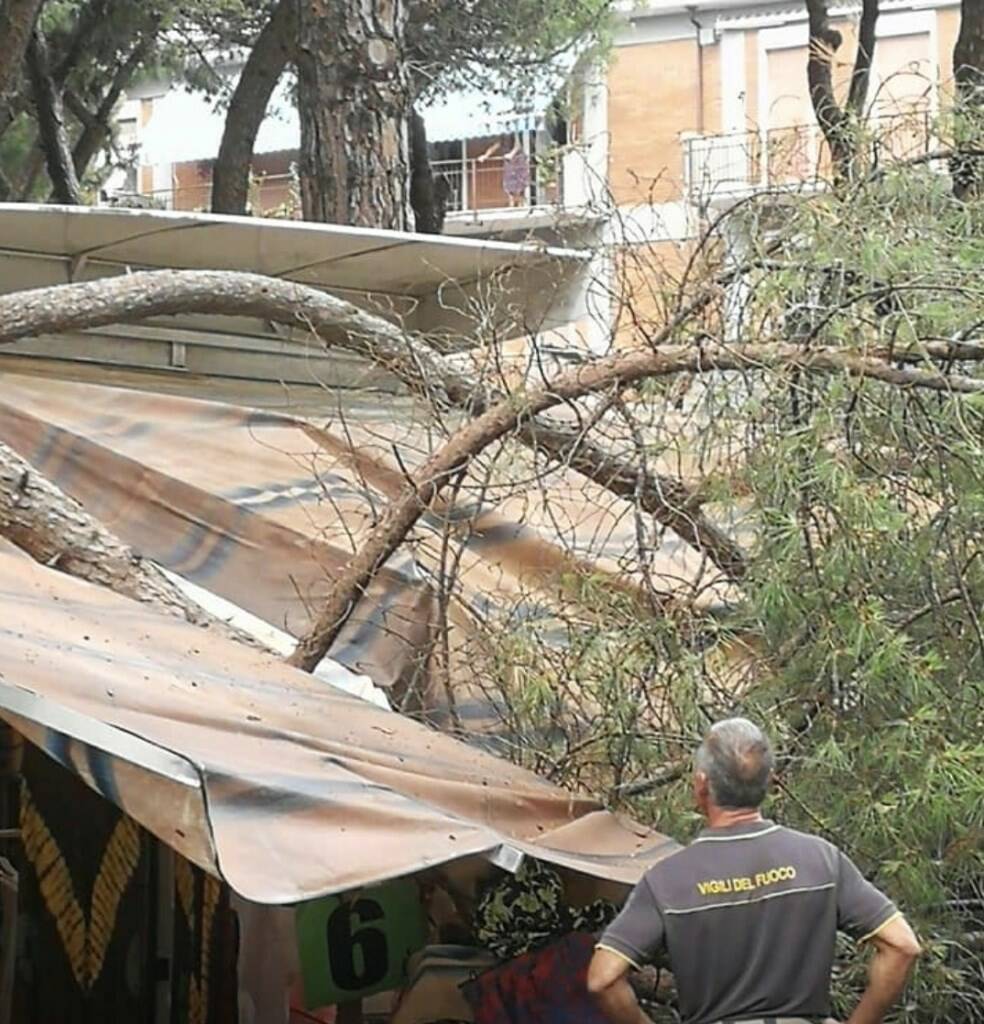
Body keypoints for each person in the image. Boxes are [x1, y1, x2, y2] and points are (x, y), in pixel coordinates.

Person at [587, 718, 921, 1024]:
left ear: (701, 785)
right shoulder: (821, 859)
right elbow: (902, 946)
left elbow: (603, 979)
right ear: (771, 782)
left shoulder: (668, 880)